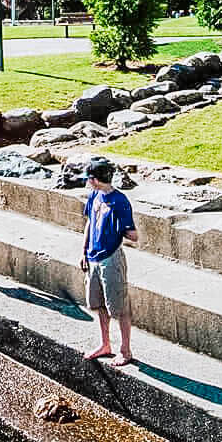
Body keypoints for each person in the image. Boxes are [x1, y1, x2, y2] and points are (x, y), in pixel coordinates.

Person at [79, 157, 137, 366]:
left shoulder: (120, 201)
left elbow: (134, 235)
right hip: (93, 258)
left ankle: (125, 350)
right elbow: (90, 223)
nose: (87, 182)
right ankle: (105, 344)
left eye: (88, 178)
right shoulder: (94, 195)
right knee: (98, 304)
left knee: (119, 308)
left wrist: (119, 227)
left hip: (111, 259)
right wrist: (84, 251)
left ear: (94, 179)